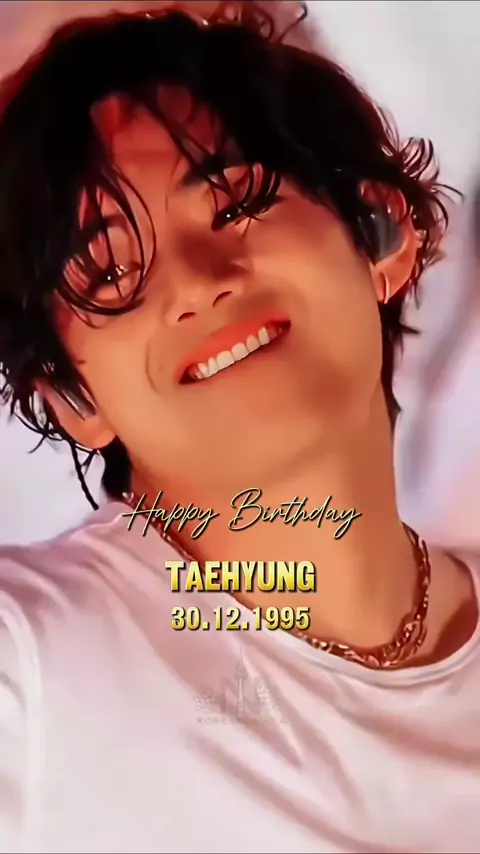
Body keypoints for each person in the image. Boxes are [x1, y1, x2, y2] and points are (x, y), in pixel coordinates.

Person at [0, 2, 478, 851]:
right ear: (75, 399)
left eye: (234, 204)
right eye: (110, 273)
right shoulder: (29, 669)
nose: (196, 282)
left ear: (382, 232)